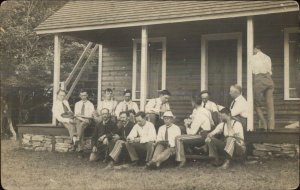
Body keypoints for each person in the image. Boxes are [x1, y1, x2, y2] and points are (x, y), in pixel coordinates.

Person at [176, 94, 212, 168]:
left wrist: (186, 125)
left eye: (191, 102)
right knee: (182, 133)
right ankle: (190, 151)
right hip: (208, 133)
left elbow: (191, 132)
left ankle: (181, 160)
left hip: (202, 136)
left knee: (178, 138)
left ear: (194, 103)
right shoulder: (206, 111)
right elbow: (212, 123)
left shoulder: (199, 113)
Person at [250, 45, 275, 131]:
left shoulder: (253, 58)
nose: (253, 51)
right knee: (270, 104)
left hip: (259, 79)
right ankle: (271, 127)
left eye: (253, 49)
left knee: (256, 104)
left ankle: (264, 124)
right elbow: (269, 70)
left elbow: (252, 71)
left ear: (256, 49)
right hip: (268, 79)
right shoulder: (267, 57)